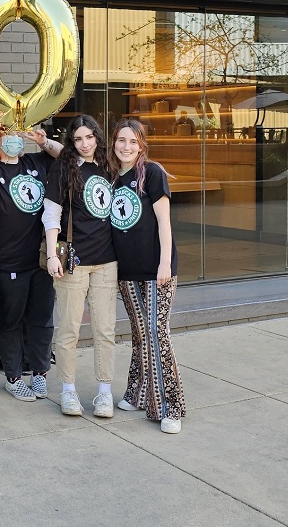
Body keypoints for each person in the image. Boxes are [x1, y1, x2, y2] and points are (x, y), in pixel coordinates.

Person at [0, 119, 61, 402]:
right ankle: (13, 377)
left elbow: (68, 155)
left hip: (43, 259)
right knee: (11, 320)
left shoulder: (36, 161)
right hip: (9, 261)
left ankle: (40, 374)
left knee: (42, 320)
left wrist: (41, 140)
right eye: (6, 135)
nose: (13, 139)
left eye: (16, 134)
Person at [109, 119, 186, 434]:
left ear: (141, 145)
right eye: (121, 140)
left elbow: (164, 222)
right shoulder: (111, 178)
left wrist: (164, 264)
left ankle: (170, 406)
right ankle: (136, 391)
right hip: (127, 271)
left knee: (157, 333)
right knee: (141, 334)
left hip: (157, 269)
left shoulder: (151, 173)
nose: (126, 147)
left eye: (133, 141)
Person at [42, 114, 118, 419]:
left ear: (97, 137)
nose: (85, 144)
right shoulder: (64, 167)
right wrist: (50, 254)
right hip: (73, 260)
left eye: (90, 137)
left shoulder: (109, 166)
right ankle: (68, 390)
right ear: (71, 142)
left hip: (107, 260)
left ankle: (104, 393)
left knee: (105, 330)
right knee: (69, 330)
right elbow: (51, 215)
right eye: (78, 139)